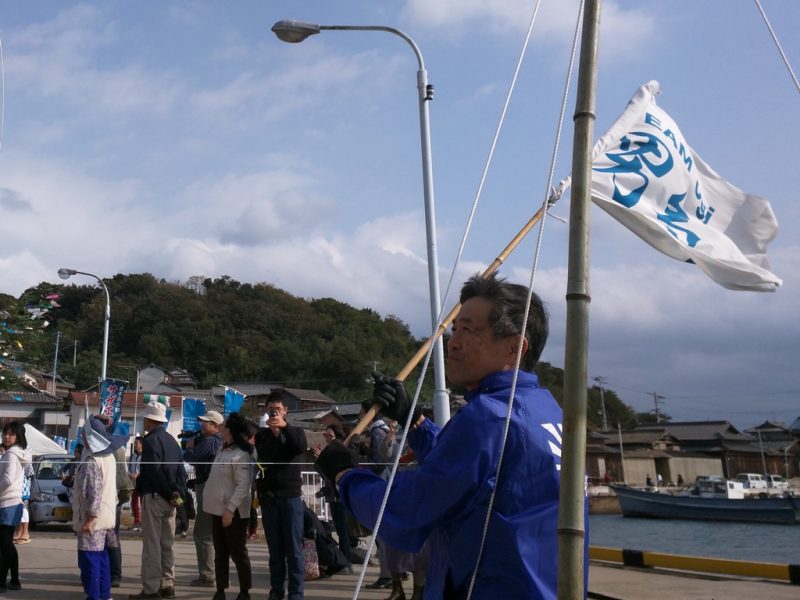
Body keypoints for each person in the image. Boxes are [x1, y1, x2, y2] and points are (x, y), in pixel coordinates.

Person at [317, 273, 584, 599]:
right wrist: (412, 419)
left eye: (469, 330)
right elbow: (468, 473)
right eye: (455, 329)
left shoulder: (489, 416)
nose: (452, 341)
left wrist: (345, 475)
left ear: (515, 346)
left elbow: (407, 511)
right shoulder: (549, 411)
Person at [254, 390, 308, 600]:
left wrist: (283, 429)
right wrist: (275, 434)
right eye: (270, 410)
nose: (274, 413)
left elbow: (298, 448)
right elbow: (268, 455)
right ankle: (276, 591)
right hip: (270, 498)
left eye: (278, 409)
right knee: (275, 551)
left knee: (294, 550)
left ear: (286, 410)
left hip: (291, 497)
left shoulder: (296, 431)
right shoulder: (262, 435)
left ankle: (296, 594)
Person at [128, 401, 182, 600]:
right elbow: (180, 471)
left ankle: (151, 589)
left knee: (152, 545)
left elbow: (153, 471)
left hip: (155, 495)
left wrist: (167, 493)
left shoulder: (150, 441)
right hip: (172, 499)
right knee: (167, 543)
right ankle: (168, 584)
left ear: (150, 420)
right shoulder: (172, 440)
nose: (143, 421)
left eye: (145, 418)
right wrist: (176, 494)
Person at [74, 415, 126, 600]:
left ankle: (94, 596)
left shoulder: (91, 462)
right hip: (107, 516)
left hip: (93, 520)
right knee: (102, 559)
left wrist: (89, 519)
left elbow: (92, 493)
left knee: (89, 561)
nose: (83, 438)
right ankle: (105, 595)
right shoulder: (109, 457)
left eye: (85, 434)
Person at [203, 412, 254, 600]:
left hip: (234, 512)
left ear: (230, 431)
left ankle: (244, 591)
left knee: (238, 552)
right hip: (217, 510)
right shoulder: (223, 450)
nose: (221, 428)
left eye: (223, 425)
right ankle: (221, 589)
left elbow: (243, 485)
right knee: (220, 552)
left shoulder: (242, 455)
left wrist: (230, 509)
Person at [183, 410, 223, 587]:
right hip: (213, 487)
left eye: (205, 422)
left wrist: (190, 446)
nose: (201, 425)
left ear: (215, 425)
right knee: (211, 534)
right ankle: (211, 573)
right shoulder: (220, 442)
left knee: (202, 534)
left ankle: (207, 575)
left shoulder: (210, 441)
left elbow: (191, 457)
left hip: (207, 487)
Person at [0, 421, 29, 592]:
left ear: (18, 436)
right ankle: (15, 580)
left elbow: (7, 479)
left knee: (4, 546)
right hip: (12, 503)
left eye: (11, 434)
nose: (6, 436)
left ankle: (2, 582)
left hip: (7, 504)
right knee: (7, 545)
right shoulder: (16, 453)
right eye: (5, 433)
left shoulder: (11, 454)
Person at [128, 437, 143, 531]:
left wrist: (138, 474)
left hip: (142, 482)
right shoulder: (132, 456)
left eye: (137, 443)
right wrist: (130, 473)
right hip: (133, 483)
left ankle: (142, 523)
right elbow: (129, 467)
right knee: (134, 502)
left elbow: (146, 469)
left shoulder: (145, 456)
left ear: (141, 444)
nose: (135, 445)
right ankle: (136, 522)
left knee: (141, 503)